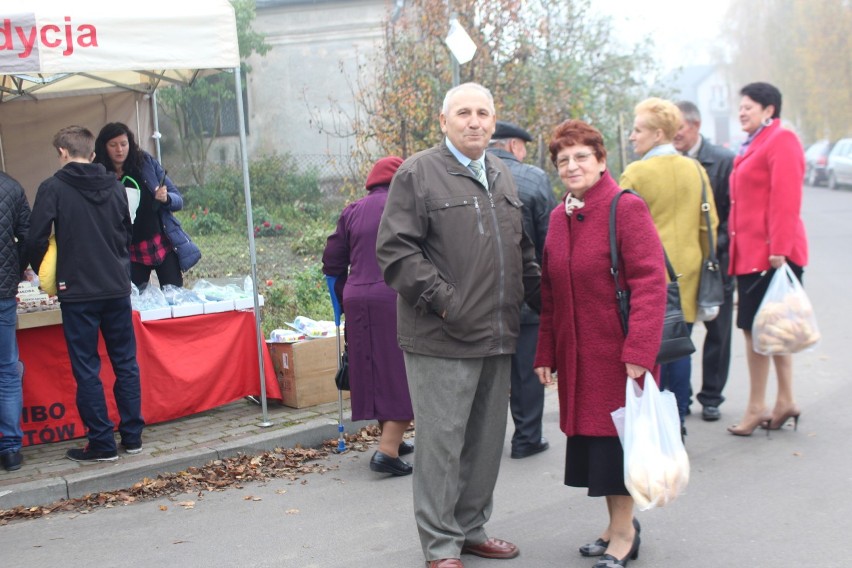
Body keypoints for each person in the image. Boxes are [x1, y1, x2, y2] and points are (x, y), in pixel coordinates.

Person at [376, 82, 541, 568]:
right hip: (441, 336)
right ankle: (441, 545)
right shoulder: (418, 173)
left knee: (487, 443)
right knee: (442, 445)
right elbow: (396, 252)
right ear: (444, 121)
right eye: (464, 113)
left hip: (498, 335)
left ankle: (471, 529)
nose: (475, 121)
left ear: (494, 122)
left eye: (483, 113)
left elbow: (522, 252)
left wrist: (547, 305)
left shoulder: (502, 176)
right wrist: (449, 304)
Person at [534, 119, 666, 568]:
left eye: (581, 157)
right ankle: (615, 526)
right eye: (563, 160)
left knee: (617, 446)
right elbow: (549, 294)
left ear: (601, 160)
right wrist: (545, 353)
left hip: (619, 356)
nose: (572, 166)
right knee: (597, 445)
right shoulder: (558, 217)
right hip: (577, 357)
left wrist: (639, 351)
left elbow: (651, 281)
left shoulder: (625, 207)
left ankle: (625, 536)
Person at [29, 125, 145, 463]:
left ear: (64, 153)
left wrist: (48, 270)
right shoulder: (114, 185)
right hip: (115, 286)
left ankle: (102, 444)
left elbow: (36, 236)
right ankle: (133, 438)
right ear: (93, 153)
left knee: (87, 368)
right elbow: (127, 230)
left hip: (77, 290)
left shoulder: (53, 187)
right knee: (125, 362)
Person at [619, 97, 719, 434]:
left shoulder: (636, 173)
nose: (633, 136)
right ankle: (677, 418)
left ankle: (660, 424)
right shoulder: (695, 169)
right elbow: (710, 225)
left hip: (650, 277)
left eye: (638, 130)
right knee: (681, 345)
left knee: (651, 352)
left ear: (658, 133)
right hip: (688, 273)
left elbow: (616, 226)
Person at [322, 156, 415, 477]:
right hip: (394, 298)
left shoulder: (353, 210)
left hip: (357, 298)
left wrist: (347, 293)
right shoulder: (406, 205)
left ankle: (393, 437)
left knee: (374, 370)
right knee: (403, 373)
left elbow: (332, 261)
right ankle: (387, 451)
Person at [726, 82, 808, 436]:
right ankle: (785, 399)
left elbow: (787, 196)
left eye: (749, 107)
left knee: (757, 332)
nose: (742, 112)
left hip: (770, 254)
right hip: (752, 253)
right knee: (771, 329)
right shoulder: (755, 143)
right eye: (740, 107)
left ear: (769, 110)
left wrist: (779, 249)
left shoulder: (781, 139)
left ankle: (757, 406)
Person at [487, 120, 557, 459]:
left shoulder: (461, 174)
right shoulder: (535, 178)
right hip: (527, 296)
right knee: (527, 371)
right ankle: (526, 438)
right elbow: (551, 242)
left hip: (478, 300)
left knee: (485, 373)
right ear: (514, 145)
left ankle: (479, 443)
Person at [673, 101, 736, 422]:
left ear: (695, 125)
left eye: (679, 127)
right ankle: (678, 397)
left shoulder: (723, 162)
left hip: (714, 262)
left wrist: (710, 250)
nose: (674, 134)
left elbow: (731, 217)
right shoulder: (667, 162)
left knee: (718, 332)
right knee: (678, 332)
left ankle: (711, 396)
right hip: (680, 265)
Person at [94, 122, 200, 290]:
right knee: (135, 301)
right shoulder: (98, 173)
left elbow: (178, 200)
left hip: (160, 243)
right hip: (128, 249)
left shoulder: (144, 163)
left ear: (130, 143)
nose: (119, 150)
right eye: (113, 145)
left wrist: (165, 198)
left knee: (174, 296)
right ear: (104, 147)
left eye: (124, 144)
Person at [0, 172, 30, 472]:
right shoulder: (11, 186)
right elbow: (29, 236)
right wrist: (17, 269)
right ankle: (10, 450)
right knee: (7, 370)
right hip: (2, 292)